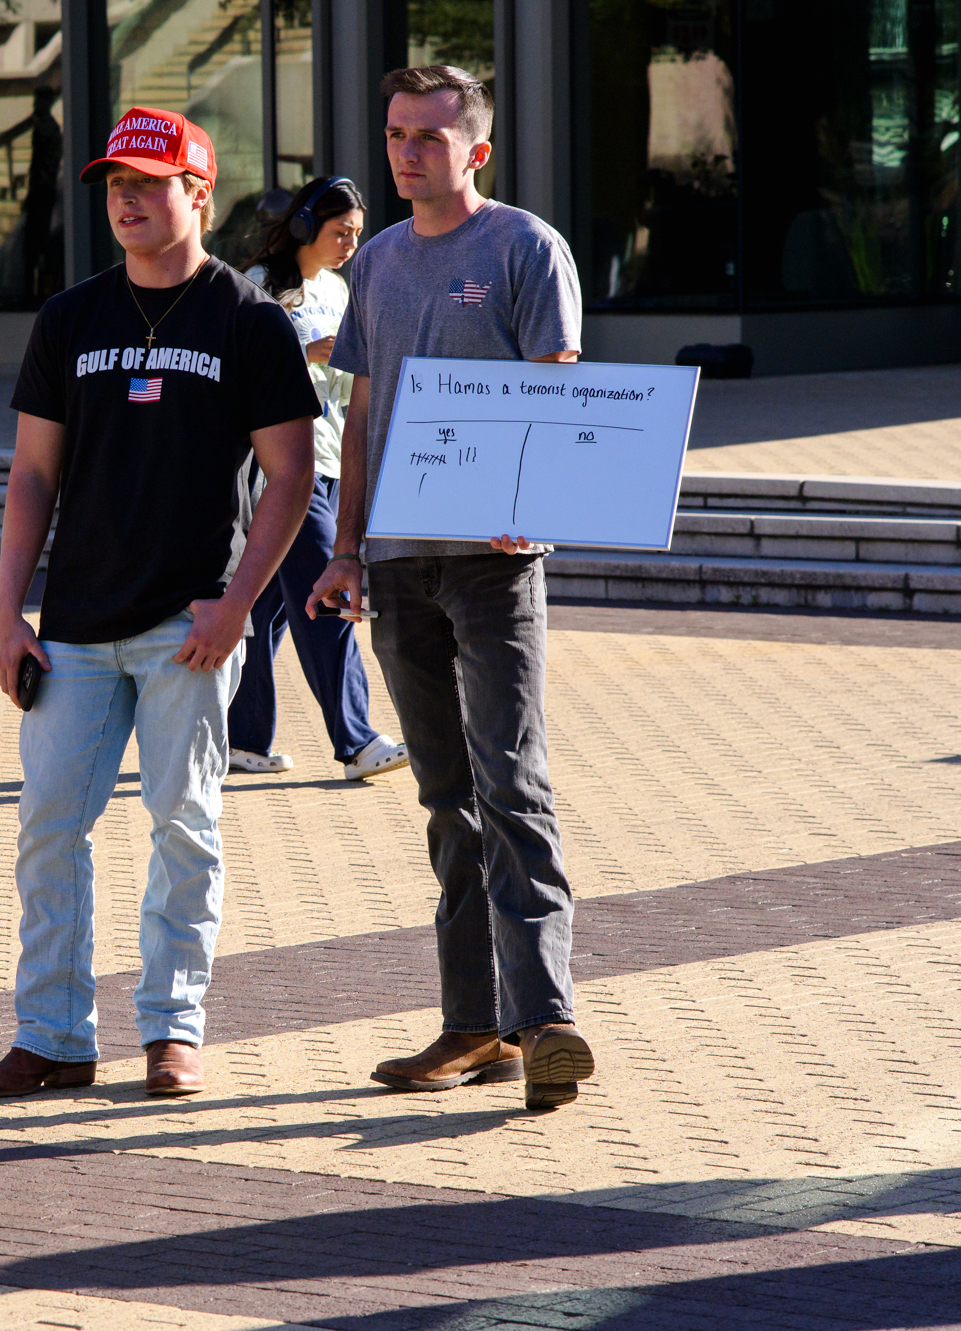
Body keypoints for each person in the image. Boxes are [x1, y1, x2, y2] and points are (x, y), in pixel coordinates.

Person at [0, 107, 319, 1100]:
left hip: (188, 627)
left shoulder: (246, 321)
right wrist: (5, 611)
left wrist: (236, 604)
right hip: (74, 624)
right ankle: (53, 1036)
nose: (124, 199)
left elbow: (289, 476)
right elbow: (32, 473)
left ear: (198, 194)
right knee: (46, 828)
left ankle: (171, 1030)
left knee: (183, 824)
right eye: (113, 184)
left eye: (147, 183)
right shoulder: (70, 320)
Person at [311, 66, 595, 1112]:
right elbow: (362, 416)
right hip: (396, 562)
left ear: (474, 151)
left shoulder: (523, 248)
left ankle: (547, 1017)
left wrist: (537, 494)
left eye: (428, 138)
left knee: (509, 784)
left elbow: (555, 389)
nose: (405, 153)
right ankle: (474, 1025)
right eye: (394, 135)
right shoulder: (376, 262)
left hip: (491, 563)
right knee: (445, 799)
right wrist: (343, 549)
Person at [230, 175, 409, 782]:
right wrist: (302, 352)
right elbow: (231, 372)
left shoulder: (340, 288)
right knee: (325, 598)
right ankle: (357, 741)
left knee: (266, 612)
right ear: (305, 226)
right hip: (282, 472)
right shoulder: (254, 291)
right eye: (340, 232)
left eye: (358, 235)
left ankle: (242, 738)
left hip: (333, 460)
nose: (350, 245)